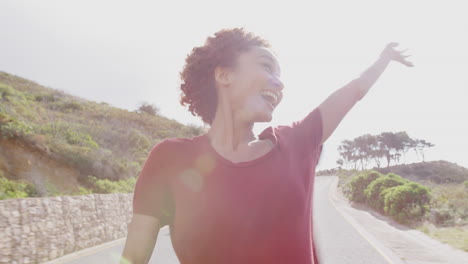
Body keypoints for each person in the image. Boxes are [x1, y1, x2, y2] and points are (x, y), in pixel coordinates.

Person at [120, 28, 413, 264]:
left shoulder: (296, 143)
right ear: (224, 75)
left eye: (281, 76)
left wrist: (382, 60)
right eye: (266, 66)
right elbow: (133, 257)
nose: (280, 84)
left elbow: (354, 91)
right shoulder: (170, 158)